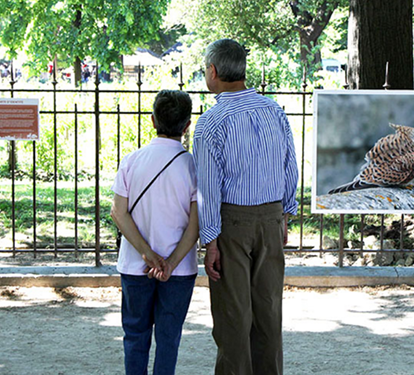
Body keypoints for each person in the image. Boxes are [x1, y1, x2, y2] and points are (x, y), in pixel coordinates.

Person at [193, 39, 299, 375]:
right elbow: (289, 167)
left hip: (232, 223)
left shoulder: (211, 122)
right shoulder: (274, 112)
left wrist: (211, 241)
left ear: (213, 71)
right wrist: (283, 215)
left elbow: (208, 189)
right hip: (269, 218)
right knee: (268, 311)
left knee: (233, 316)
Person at [111, 89, 198, 375]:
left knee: (135, 336)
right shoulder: (193, 167)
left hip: (136, 265)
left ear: (152, 120)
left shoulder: (132, 161)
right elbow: (195, 224)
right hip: (180, 269)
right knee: (169, 339)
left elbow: (118, 213)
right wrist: (169, 263)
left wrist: (148, 254)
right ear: (187, 126)